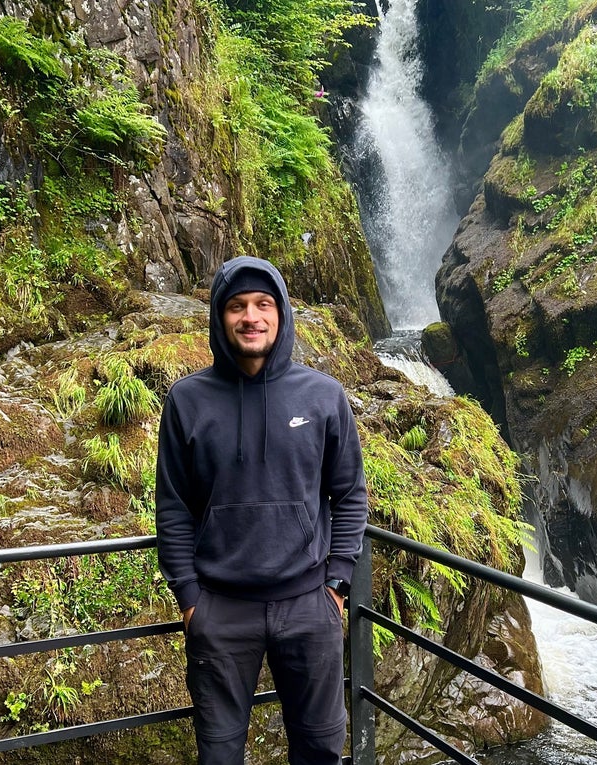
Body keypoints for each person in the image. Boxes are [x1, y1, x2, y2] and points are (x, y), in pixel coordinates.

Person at [155, 255, 368, 765]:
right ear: (219, 317)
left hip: (308, 605)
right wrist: (190, 599)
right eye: (237, 306)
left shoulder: (323, 396)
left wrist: (337, 584)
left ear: (282, 313)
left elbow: (351, 493)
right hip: (221, 611)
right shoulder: (187, 400)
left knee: (319, 748)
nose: (250, 316)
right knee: (220, 753)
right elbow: (173, 506)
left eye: (262, 304)